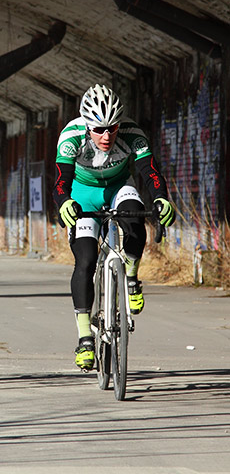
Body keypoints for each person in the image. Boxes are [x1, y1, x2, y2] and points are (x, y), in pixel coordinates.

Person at [53, 84, 176, 370]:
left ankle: (131, 277)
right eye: (98, 130)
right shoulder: (71, 136)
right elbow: (61, 179)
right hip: (82, 192)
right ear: (87, 125)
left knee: (134, 216)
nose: (106, 136)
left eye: (112, 128)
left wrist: (161, 199)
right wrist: (64, 202)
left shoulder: (133, 134)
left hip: (119, 187)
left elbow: (150, 170)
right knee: (85, 260)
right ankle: (85, 337)